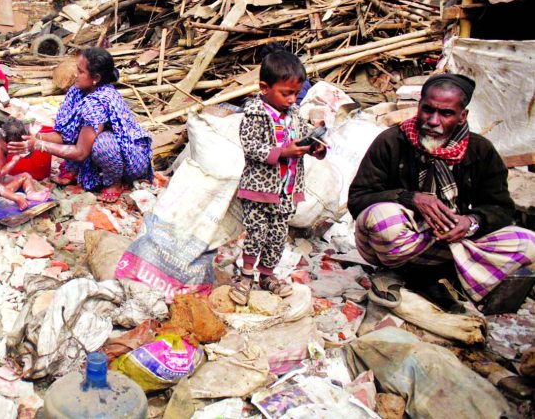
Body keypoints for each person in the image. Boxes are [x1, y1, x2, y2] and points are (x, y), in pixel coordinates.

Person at [348, 73, 535, 309]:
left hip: (453, 242)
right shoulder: (392, 141)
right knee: (383, 220)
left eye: (446, 113)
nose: (433, 120)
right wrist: (410, 198)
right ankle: (432, 274)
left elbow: (501, 208)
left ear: (461, 116)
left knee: (528, 242)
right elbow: (357, 198)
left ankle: (434, 275)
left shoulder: (481, 150)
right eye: (428, 110)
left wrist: (471, 222)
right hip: (402, 242)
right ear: (419, 106)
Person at [229, 49, 326, 306]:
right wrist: (283, 152)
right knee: (256, 234)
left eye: (296, 93)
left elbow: (305, 134)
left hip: (287, 190)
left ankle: (267, 276)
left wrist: (316, 145)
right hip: (260, 188)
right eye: (287, 93)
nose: (293, 99)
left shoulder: (293, 114)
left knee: (277, 236)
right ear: (264, 87)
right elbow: (251, 147)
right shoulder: (255, 113)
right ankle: (246, 276)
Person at [7, 47, 152, 203]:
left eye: (81, 71)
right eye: (77, 68)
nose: (75, 74)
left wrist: (38, 145)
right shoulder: (78, 91)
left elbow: (81, 152)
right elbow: (66, 134)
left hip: (128, 157)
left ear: (96, 78)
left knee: (103, 145)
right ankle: (78, 170)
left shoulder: (98, 102)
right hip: (92, 143)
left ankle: (114, 182)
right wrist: (35, 136)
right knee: (83, 134)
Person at [0, 118, 51, 210]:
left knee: (26, 176)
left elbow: (26, 155)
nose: (14, 149)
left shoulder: (4, 145)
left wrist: (27, 151)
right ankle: (16, 198)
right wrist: (14, 160)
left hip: (1, 187)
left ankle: (32, 193)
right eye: (15, 146)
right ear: (9, 143)